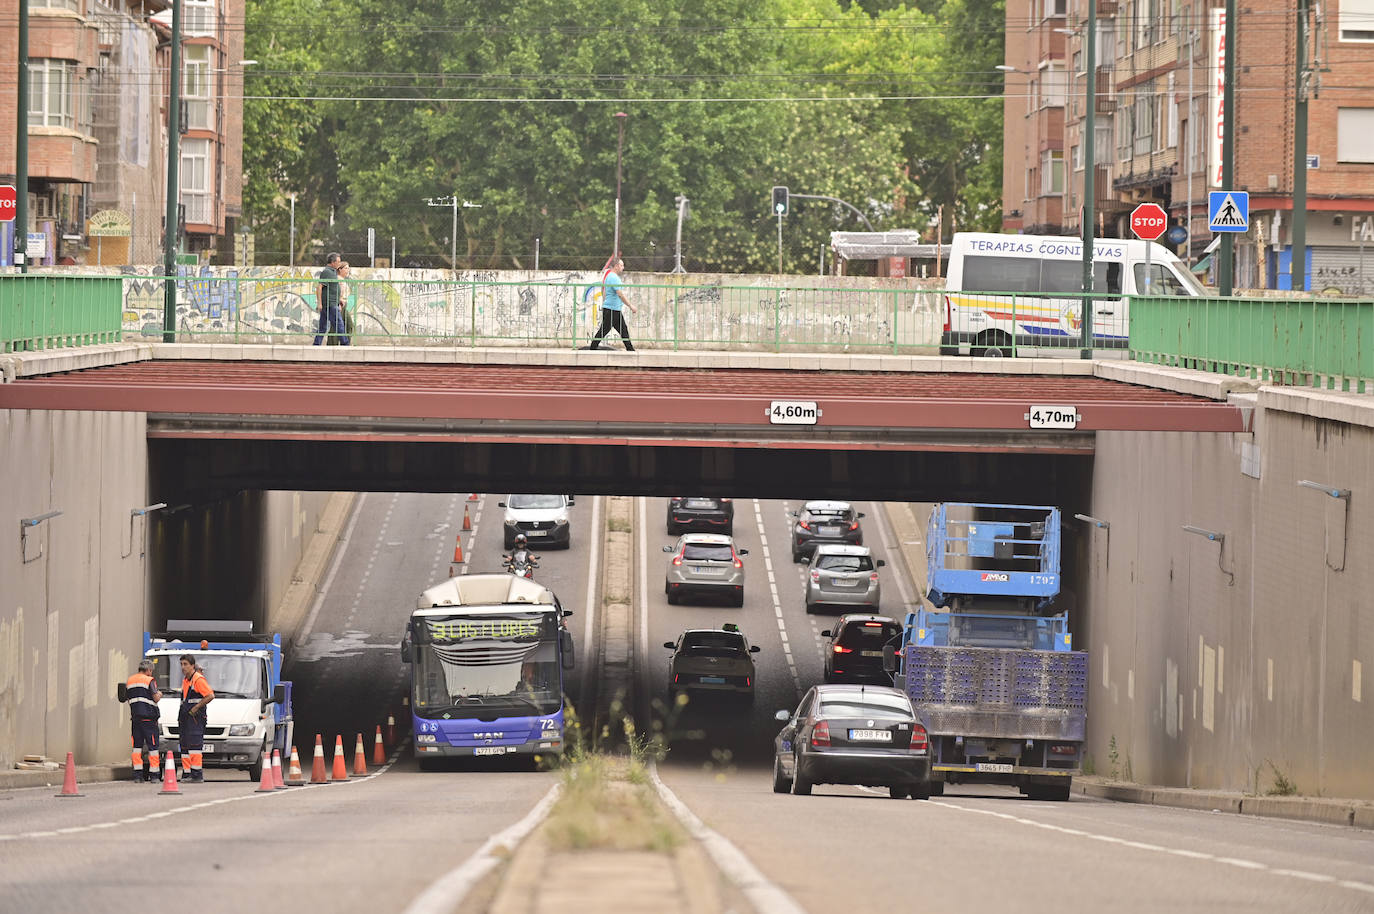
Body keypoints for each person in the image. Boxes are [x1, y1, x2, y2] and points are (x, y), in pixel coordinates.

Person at [121, 660, 163, 783]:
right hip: (149, 719)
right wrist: (160, 694)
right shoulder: (150, 680)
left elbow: (127, 698)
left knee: (137, 747)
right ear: (148, 670)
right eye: (151, 671)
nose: (151, 673)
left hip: (136, 719)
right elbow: (155, 697)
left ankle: (138, 775)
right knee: (153, 747)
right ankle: (154, 775)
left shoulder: (130, 680)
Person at [177, 655, 214, 782]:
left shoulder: (197, 679)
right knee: (186, 746)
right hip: (186, 718)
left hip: (195, 718)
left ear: (192, 665)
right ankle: (187, 774)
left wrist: (196, 707)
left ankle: (197, 774)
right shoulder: (186, 680)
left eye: (185, 664)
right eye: (181, 664)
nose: (183, 667)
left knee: (194, 746)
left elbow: (210, 695)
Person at [588, 257, 638, 351]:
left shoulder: (609, 276)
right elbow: (620, 294)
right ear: (616, 266)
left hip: (613, 308)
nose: (623, 267)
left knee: (623, 330)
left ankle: (630, 349)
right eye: (621, 265)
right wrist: (631, 306)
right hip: (612, 309)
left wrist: (604, 303)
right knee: (604, 330)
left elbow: (605, 292)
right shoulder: (614, 278)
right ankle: (593, 347)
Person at [313, 252, 348, 345]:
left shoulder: (332, 272)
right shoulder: (327, 272)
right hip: (330, 304)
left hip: (332, 303)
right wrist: (319, 303)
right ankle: (345, 344)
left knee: (323, 327)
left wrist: (339, 299)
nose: (339, 264)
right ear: (332, 262)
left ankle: (316, 344)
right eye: (338, 262)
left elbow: (332, 288)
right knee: (339, 324)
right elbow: (319, 287)